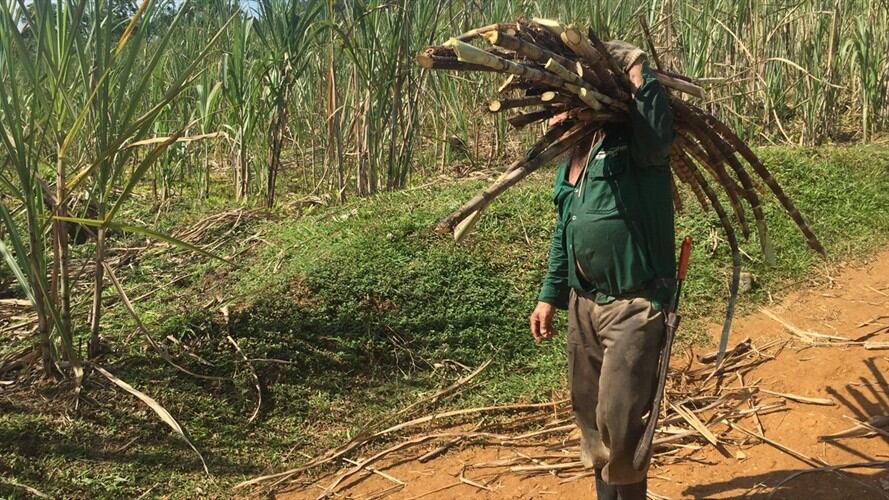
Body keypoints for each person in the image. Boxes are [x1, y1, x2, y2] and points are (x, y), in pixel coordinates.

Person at [528, 41, 676, 500]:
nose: (552, 121)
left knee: (620, 418)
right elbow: (565, 232)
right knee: (590, 415)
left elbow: (659, 138)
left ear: (583, 107)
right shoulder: (571, 164)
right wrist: (549, 296)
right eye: (549, 113)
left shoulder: (631, 148)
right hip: (584, 305)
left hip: (633, 304)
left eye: (559, 111)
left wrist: (637, 71)